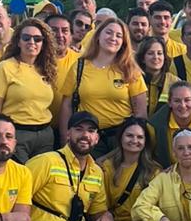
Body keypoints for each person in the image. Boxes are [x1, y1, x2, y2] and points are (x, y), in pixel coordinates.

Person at [57, 16, 147, 147]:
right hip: (87, 138)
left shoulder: (130, 69)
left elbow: (141, 112)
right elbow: (67, 106)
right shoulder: (79, 66)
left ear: (123, 42)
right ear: (98, 36)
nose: (113, 38)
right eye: (109, 32)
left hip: (120, 138)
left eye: (118, 36)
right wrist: (65, 138)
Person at [0, 17, 57, 163]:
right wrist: (1, 137)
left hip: (45, 135)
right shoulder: (6, 67)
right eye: (26, 38)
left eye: (37, 39)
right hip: (17, 134)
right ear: (18, 42)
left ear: (43, 44)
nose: (32, 42)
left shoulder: (47, 69)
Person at [97, 117, 156, 221]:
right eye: (129, 136)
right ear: (121, 137)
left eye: (140, 137)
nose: (134, 140)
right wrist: (104, 214)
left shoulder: (153, 171)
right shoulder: (105, 167)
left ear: (146, 142)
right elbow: (98, 201)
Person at [135, 36, 183, 119]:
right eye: (150, 53)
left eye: (160, 53)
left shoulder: (175, 82)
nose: (156, 57)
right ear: (142, 58)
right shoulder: (134, 80)